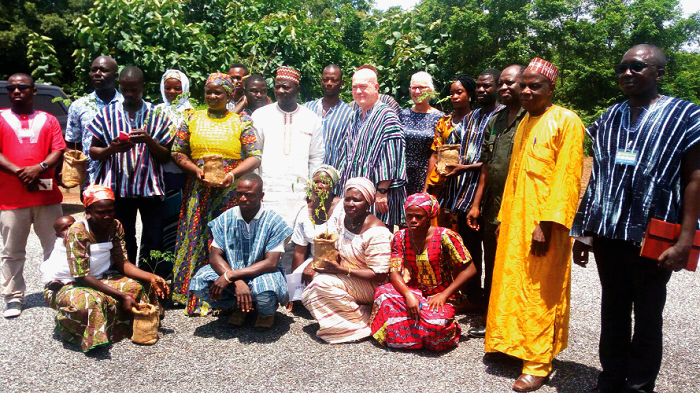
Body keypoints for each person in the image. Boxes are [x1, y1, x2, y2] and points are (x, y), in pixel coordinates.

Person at [571, 44, 700, 393]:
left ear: (659, 74)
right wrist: (584, 234)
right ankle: (609, 381)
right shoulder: (609, 118)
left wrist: (685, 241)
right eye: (622, 67)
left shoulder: (686, 116)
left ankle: (640, 386)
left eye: (638, 67)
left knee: (646, 316)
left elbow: (695, 179)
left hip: (654, 237)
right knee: (612, 312)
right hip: (610, 234)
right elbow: (598, 178)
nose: (627, 73)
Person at [484, 58, 585, 392]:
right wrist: (504, 218)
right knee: (512, 284)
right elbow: (515, 175)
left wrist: (548, 223)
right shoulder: (526, 120)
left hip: (545, 225)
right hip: (515, 220)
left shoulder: (566, 121)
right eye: (522, 85)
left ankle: (538, 363)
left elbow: (568, 178)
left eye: (533, 86)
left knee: (540, 292)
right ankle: (511, 345)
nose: (525, 91)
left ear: (550, 89)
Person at [170, 72, 262, 316]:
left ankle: (225, 295)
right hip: (198, 189)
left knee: (223, 239)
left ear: (229, 95)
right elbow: (177, 152)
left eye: (217, 92)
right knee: (196, 235)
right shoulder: (191, 118)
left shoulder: (241, 120)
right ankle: (190, 293)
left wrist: (232, 176)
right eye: (208, 92)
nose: (212, 96)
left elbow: (255, 156)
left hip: (229, 191)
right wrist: (195, 171)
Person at [43, 185, 169, 352]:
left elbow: (122, 263)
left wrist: (152, 277)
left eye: (110, 210)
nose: (107, 216)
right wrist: (122, 295)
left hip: (101, 277)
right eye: (100, 212)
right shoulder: (78, 231)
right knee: (92, 301)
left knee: (139, 286)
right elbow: (81, 277)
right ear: (88, 211)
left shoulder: (115, 226)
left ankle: (130, 328)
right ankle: (71, 329)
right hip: (68, 283)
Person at [88, 66, 173, 279]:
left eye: (134, 89)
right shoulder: (107, 113)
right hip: (118, 188)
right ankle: (127, 283)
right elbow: (93, 151)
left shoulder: (156, 114)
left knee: (153, 239)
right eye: (125, 89)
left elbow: (165, 156)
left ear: (143, 87)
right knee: (124, 238)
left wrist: (148, 140)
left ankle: (152, 283)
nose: (129, 94)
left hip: (150, 187)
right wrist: (111, 149)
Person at [370, 193, 476, 351]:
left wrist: (444, 295)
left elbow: (471, 269)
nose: (413, 220)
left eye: (418, 216)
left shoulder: (446, 236)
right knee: (382, 293)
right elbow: (393, 272)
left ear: (429, 217)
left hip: (442, 295)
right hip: (415, 290)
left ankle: (414, 330)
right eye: (409, 216)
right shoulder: (400, 237)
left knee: (437, 323)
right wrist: (408, 294)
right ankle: (418, 331)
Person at [466, 64, 527, 338]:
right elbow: (486, 167)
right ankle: (491, 319)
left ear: (523, 84)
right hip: (492, 205)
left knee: (516, 266)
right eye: (501, 83)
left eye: (510, 83)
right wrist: (476, 204)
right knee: (492, 263)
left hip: (520, 207)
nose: (504, 87)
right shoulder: (495, 121)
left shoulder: (533, 119)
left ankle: (515, 325)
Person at [189, 173, 293, 329]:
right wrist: (236, 280)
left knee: (265, 292)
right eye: (239, 194)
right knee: (199, 283)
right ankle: (238, 306)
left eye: (249, 195)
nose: (242, 198)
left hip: (262, 274)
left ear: (261, 196)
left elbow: (271, 263)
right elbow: (215, 257)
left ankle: (265, 312)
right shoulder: (226, 218)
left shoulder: (273, 221)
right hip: (232, 273)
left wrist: (230, 275)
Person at [0, 73, 66, 318]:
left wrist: (39, 167)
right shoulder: (0, 118)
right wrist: (19, 171)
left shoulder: (48, 120)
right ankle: (13, 297)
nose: (17, 92)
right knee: (12, 250)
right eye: (12, 88)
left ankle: (56, 290)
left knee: (55, 246)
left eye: (22, 87)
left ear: (34, 91)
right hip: (10, 198)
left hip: (46, 197)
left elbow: (58, 149)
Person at [301, 177, 392, 343]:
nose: (350, 204)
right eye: (347, 199)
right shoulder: (344, 220)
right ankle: (357, 316)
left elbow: (379, 275)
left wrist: (342, 270)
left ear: (368, 203)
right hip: (348, 276)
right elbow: (334, 248)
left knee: (320, 285)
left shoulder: (377, 232)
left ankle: (360, 324)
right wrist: (313, 264)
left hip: (372, 284)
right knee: (314, 281)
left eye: (356, 200)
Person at [441, 69, 503, 307]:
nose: (481, 90)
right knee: (469, 251)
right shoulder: (470, 118)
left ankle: (491, 303)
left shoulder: (502, 118)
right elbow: (450, 148)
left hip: (487, 195)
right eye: (479, 86)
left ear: (497, 87)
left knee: (492, 252)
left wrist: (465, 167)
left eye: (487, 86)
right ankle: (474, 298)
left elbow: (494, 161)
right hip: (462, 194)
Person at [251, 66, 324, 226]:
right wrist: (256, 189)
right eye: (278, 86)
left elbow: (316, 157)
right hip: (267, 191)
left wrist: (312, 191)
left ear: (297, 89)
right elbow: (254, 156)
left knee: (295, 244)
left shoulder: (312, 119)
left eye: (286, 87)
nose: (281, 90)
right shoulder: (261, 115)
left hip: (298, 194)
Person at [339, 68, 407, 227]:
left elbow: (392, 157)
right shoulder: (355, 116)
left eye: (363, 87)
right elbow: (346, 154)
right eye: (354, 87)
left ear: (376, 88)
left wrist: (382, 192)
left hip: (376, 195)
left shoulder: (387, 116)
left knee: (377, 239)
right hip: (355, 195)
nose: (358, 91)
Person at [287, 165, 343, 309]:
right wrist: (293, 287)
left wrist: (315, 266)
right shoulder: (305, 212)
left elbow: (344, 246)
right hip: (314, 257)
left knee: (320, 282)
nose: (319, 186)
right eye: (316, 182)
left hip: (340, 259)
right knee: (297, 284)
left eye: (324, 182)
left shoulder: (343, 208)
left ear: (332, 185)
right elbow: (300, 250)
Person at [423, 75, 476, 227]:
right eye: (452, 93)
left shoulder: (478, 120)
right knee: (438, 224)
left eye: (459, 92)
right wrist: (427, 184)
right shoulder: (444, 121)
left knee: (462, 227)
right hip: (442, 180)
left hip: (466, 182)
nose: (454, 97)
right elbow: (435, 153)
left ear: (470, 94)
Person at [65, 55, 123, 183]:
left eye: (103, 70)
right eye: (94, 70)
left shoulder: (127, 104)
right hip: (91, 178)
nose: (97, 74)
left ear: (116, 76)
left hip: (124, 177)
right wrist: (71, 169)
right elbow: (72, 144)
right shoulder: (79, 106)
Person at [155, 69, 195, 255]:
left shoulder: (191, 114)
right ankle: (157, 267)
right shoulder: (156, 111)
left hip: (180, 176)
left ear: (184, 89)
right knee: (156, 223)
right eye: (168, 88)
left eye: (177, 88)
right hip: (156, 175)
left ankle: (176, 262)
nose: (172, 92)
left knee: (178, 220)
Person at [400, 71, 444, 196]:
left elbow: (437, 154)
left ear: (430, 90)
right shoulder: (402, 114)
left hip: (425, 176)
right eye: (414, 88)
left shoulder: (439, 118)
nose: (417, 91)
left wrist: (427, 187)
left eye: (422, 87)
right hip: (401, 176)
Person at [304, 65, 354, 172]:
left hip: (332, 180)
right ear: (321, 81)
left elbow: (349, 153)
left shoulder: (349, 115)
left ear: (342, 83)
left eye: (333, 80)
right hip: (304, 176)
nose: (329, 84)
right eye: (325, 80)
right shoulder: (307, 109)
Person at [40, 215, 76, 289]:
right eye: (64, 229)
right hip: (62, 273)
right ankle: (54, 282)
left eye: (71, 226)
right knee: (49, 271)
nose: (69, 230)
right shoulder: (60, 244)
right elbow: (58, 262)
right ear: (58, 235)